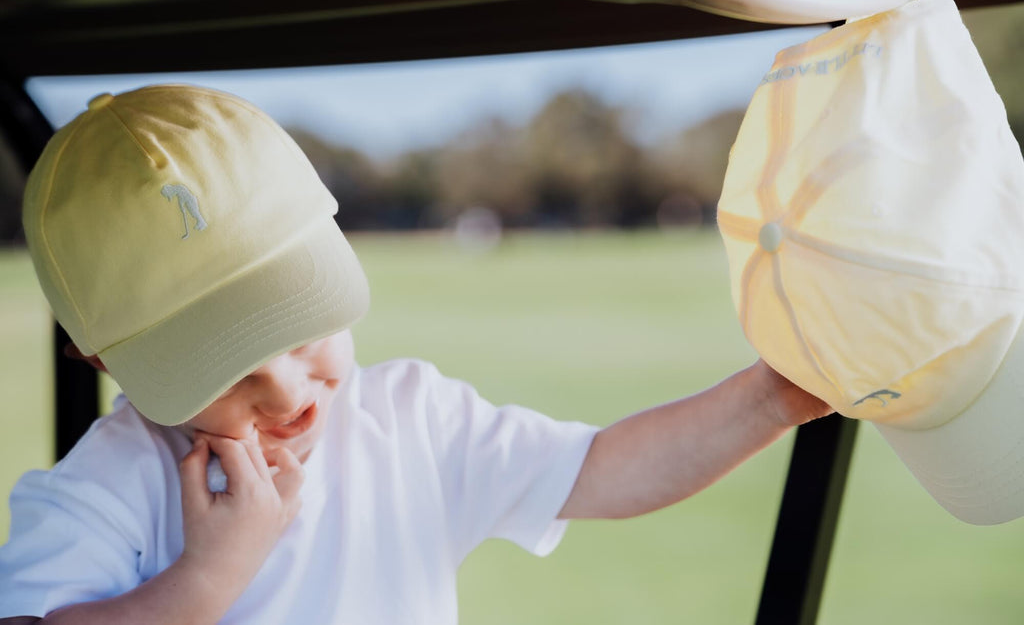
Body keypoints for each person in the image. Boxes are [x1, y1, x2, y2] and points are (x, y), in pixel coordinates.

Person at [0, 84, 832, 624]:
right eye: (225, 368)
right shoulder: (114, 484)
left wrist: (775, 398)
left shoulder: (412, 421)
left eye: (300, 325)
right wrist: (203, 585)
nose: (289, 391)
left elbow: (605, 469)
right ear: (105, 362)